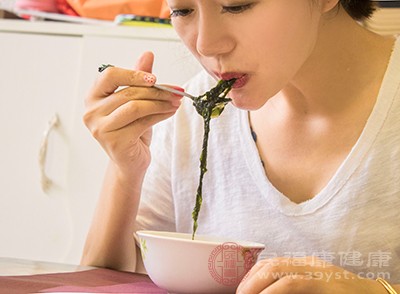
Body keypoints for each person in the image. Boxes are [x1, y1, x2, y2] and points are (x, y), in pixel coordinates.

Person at [81, 0, 400, 292]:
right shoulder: (194, 112)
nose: (206, 44)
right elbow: (108, 282)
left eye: (236, 5)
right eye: (182, 10)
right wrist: (125, 170)